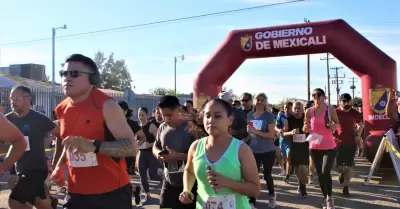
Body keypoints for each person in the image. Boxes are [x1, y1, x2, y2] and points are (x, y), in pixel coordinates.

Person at [50, 54, 138, 209]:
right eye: (63, 74)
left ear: (92, 79)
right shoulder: (61, 109)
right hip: (75, 191)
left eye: (74, 74)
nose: (67, 78)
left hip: (111, 193)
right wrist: (59, 166)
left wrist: (94, 146)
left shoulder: (106, 105)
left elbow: (131, 147)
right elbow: (69, 143)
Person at [179, 98, 260, 208]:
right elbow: (189, 170)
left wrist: (227, 182)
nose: (211, 120)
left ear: (230, 120)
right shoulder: (195, 146)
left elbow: (255, 190)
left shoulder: (241, 149)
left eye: (217, 116)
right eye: (207, 116)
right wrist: (186, 189)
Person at [5, 86, 60, 209]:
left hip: (37, 169)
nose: (13, 102)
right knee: (39, 202)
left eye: (17, 98)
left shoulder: (39, 118)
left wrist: (59, 159)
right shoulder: (7, 120)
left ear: (28, 99)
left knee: (15, 202)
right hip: (19, 167)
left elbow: (60, 134)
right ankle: (51, 202)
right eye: (11, 99)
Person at [152, 95, 197, 209]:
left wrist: (177, 156)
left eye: (169, 115)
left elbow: (200, 156)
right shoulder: (162, 127)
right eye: (163, 116)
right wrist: (158, 154)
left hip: (189, 184)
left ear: (179, 110)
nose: (166, 119)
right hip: (168, 181)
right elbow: (155, 146)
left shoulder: (191, 128)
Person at [304, 88, 339, 209]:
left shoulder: (330, 109)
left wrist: (333, 126)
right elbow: (306, 126)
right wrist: (305, 128)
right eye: (314, 95)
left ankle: (330, 198)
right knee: (319, 174)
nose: (316, 97)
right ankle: (326, 198)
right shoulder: (309, 111)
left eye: (319, 95)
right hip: (314, 146)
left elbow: (337, 125)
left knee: (325, 172)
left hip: (329, 146)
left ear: (324, 97)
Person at [247, 93, 277, 208]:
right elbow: (250, 133)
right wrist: (248, 133)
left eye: (262, 100)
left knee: (267, 174)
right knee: (253, 175)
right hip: (253, 150)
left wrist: (255, 131)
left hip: (267, 150)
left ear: (266, 102)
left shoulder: (268, 116)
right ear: (254, 101)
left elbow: (271, 134)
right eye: (258, 99)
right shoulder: (249, 115)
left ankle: (272, 195)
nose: (260, 101)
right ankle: (252, 200)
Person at [335, 93, 362, 196]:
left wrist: (358, 134)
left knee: (348, 166)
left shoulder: (354, 112)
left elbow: (361, 124)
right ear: (340, 102)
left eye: (348, 101)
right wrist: (333, 136)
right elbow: (330, 125)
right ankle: (341, 173)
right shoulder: (335, 112)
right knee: (339, 167)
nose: (346, 103)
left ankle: (346, 187)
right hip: (338, 143)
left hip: (351, 143)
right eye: (344, 101)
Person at [282, 102, 309, 197]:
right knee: (298, 170)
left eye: (299, 108)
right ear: (293, 110)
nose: (297, 110)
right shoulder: (288, 120)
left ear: (303, 109)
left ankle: (303, 186)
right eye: (295, 108)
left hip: (305, 147)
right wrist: (290, 132)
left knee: (303, 168)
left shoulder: (306, 119)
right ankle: (300, 183)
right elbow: (283, 134)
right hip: (294, 147)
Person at [137, 107, 162, 204]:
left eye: (142, 115)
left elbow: (159, 140)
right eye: (139, 115)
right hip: (142, 153)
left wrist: (149, 144)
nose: (140, 117)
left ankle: (164, 179)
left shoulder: (151, 126)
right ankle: (148, 196)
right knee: (142, 174)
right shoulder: (138, 126)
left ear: (147, 115)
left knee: (153, 175)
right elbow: (136, 139)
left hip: (151, 153)